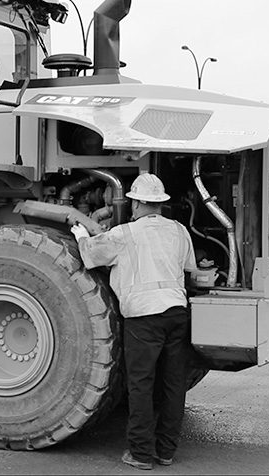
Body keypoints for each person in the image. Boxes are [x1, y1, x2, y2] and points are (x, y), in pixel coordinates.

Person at [70, 173, 197, 471]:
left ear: (137, 203)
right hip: (177, 314)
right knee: (173, 384)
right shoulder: (178, 230)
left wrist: (80, 235)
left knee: (140, 385)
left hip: (143, 318)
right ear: (160, 204)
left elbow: (90, 257)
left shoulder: (124, 233)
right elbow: (189, 266)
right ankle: (166, 451)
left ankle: (141, 454)